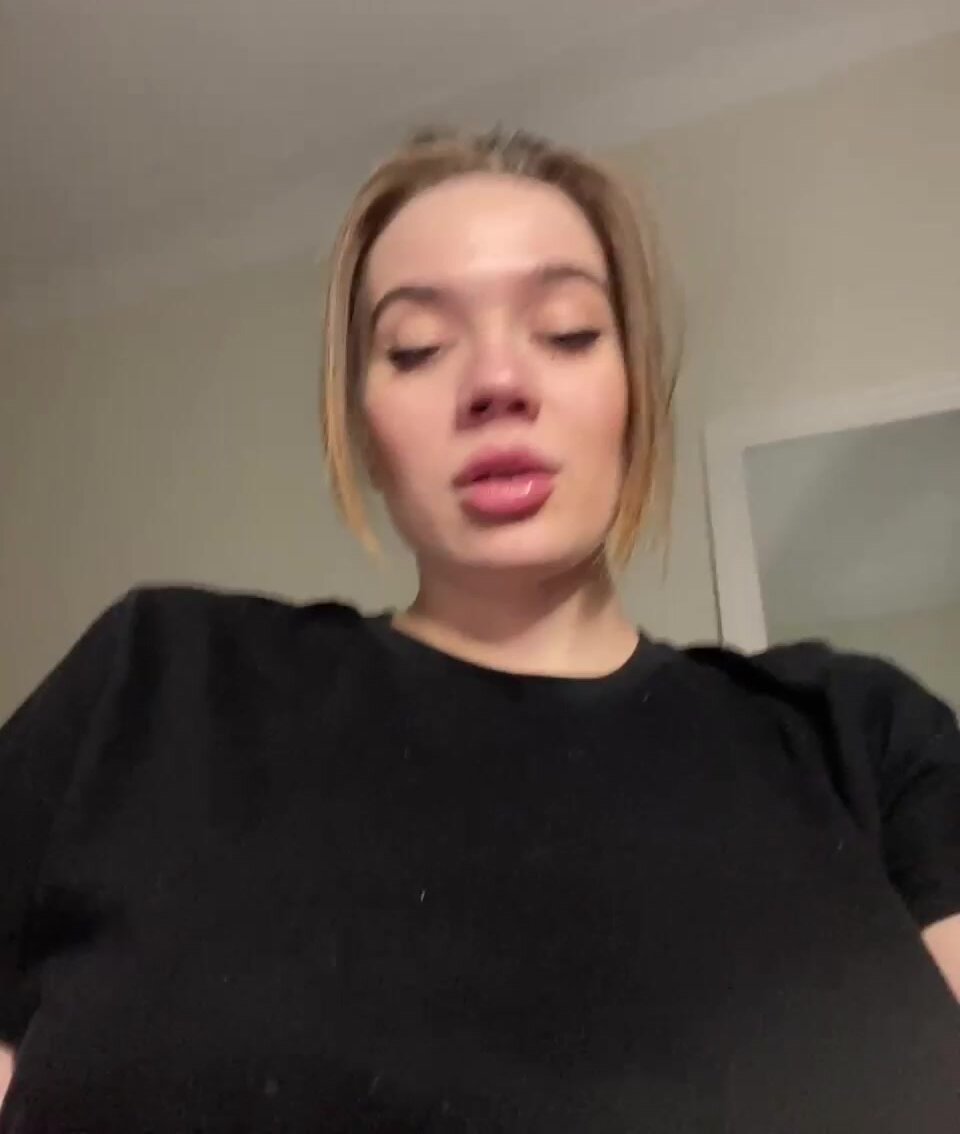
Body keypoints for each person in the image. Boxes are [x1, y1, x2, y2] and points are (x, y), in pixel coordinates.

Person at [0, 128, 957, 1133]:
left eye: (568, 331)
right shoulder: (158, 688)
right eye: (416, 347)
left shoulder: (860, 738)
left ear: (636, 394)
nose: (498, 381)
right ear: (364, 431)